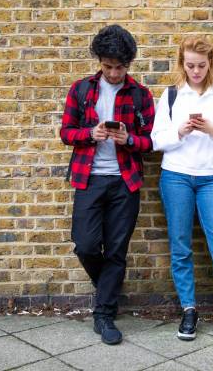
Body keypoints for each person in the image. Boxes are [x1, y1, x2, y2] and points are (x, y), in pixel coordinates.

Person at [60, 25, 155, 345]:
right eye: (108, 66)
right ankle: (109, 289)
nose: (114, 73)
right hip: (89, 178)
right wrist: (90, 134)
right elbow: (65, 133)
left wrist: (129, 139)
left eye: (120, 67)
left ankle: (104, 314)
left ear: (129, 64)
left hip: (124, 181)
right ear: (99, 62)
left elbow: (151, 141)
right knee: (85, 244)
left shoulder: (140, 95)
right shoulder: (81, 90)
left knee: (116, 250)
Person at [151, 36, 213, 349]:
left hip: (210, 179)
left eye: (201, 65)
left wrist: (211, 130)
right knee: (180, 246)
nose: (195, 71)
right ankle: (188, 310)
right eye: (190, 65)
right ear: (182, 63)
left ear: (210, 63)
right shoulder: (172, 95)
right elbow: (156, 139)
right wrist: (181, 131)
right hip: (175, 176)